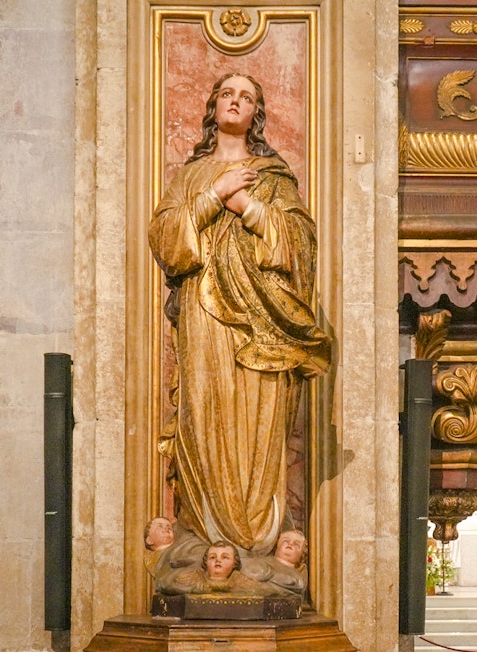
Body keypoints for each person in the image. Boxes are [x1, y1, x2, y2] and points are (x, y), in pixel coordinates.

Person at [149, 73, 331, 567]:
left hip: (261, 320)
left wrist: (247, 204)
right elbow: (166, 241)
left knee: (257, 424)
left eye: (246, 96)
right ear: (213, 108)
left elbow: (299, 248)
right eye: (227, 94)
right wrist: (214, 195)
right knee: (206, 415)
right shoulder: (189, 176)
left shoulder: (273, 175)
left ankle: (254, 538)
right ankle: (210, 537)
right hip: (203, 315)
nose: (235, 101)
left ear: (256, 113)